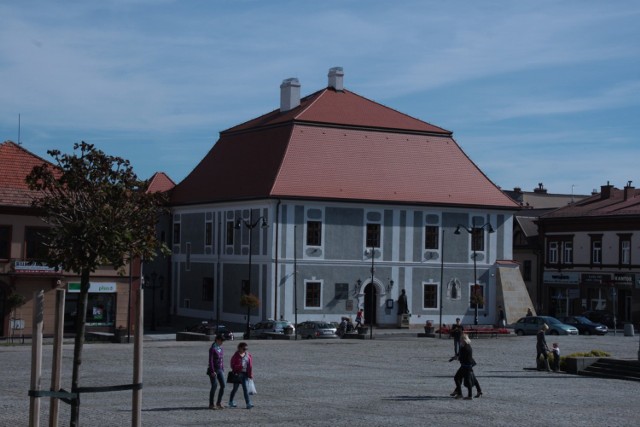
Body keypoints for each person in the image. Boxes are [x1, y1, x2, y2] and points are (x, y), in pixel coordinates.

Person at [451, 334, 482, 399]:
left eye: (461, 339)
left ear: (464, 340)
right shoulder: (467, 346)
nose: (460, 340)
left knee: (461, 379)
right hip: (468, 365)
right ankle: (478, 391)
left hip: (466, 366)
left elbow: (463, 357)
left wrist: (457, 358)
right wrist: (457, 356)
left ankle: (465, 395)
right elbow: (461, 354)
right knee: (472, 378)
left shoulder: (465, 348)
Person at [229, 342, 254, 409]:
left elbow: (250, 365)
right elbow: (232, 364)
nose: (245, 350)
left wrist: (250, 374)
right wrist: (236, 369)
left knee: (245, 389)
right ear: (239, 348)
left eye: (246, 348)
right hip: (237, 374)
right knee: (235, 389)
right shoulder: (236, 355)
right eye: (244, 348)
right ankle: (231, 401)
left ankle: (248, 403)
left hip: (245, 374)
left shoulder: (248, 355)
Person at [208, 334, 225, 410]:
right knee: (214, 386)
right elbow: (210, 360)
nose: (222, 342)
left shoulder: (221, 348)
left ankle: (219, 402)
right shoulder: (212, 348)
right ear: (217, 340)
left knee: (223, 385)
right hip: (213, 370)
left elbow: (221, 359)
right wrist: (212, 371)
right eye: (221, 341)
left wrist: (222, 368)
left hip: (220, 369)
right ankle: (211, 404)